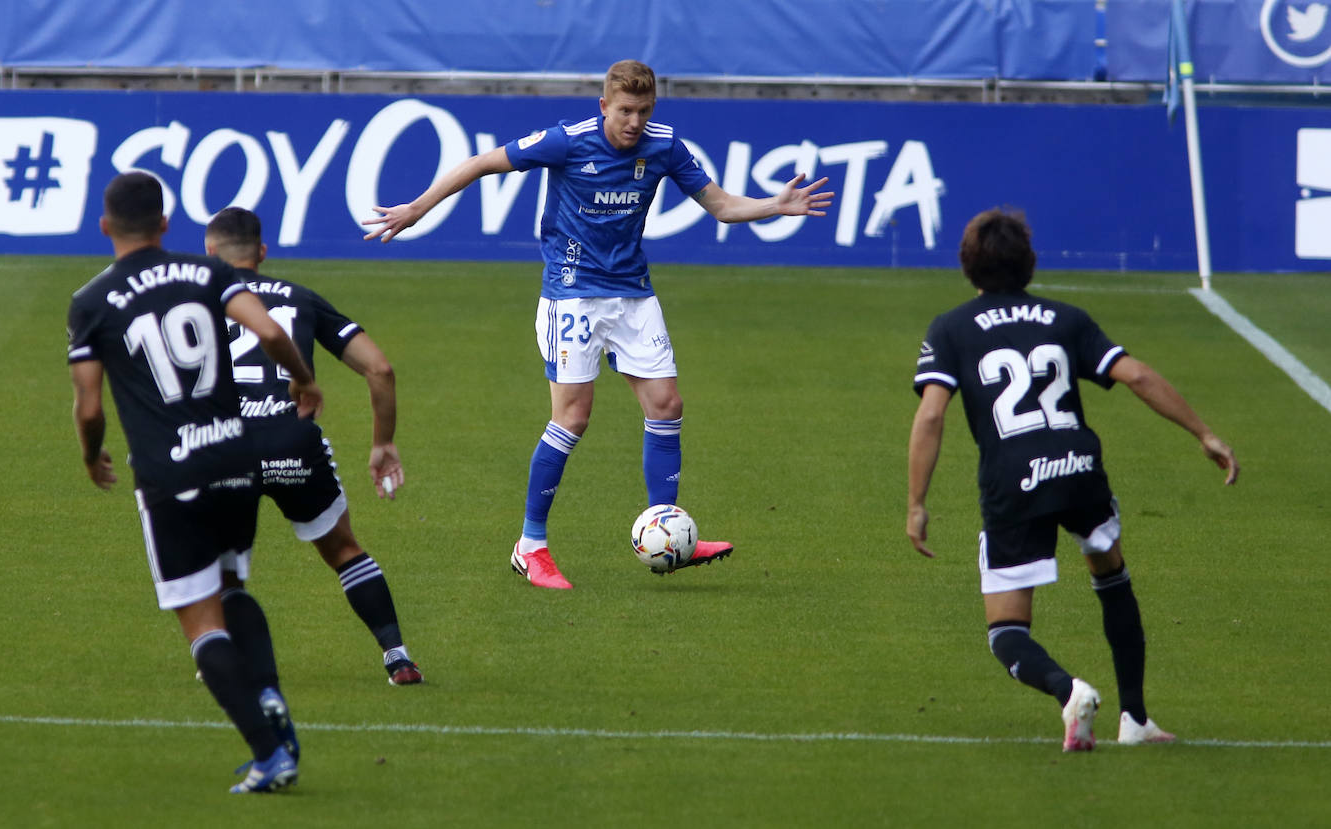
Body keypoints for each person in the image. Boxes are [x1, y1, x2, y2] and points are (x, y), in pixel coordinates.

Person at [363, 59, 835, 589]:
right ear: (604, 106)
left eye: (644, 110)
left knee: (666, 405)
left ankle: (667, 527)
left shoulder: (665, 146)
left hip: (632, 294)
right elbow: (480, 163)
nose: (634, 122)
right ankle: (530, 545)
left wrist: (775, 204)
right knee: (573, 418)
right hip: (572, 296)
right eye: (626, 110)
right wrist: (418, 208)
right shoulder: (568, 141)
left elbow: (721, 206)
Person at [905, 207, 1238, 751]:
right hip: (1080, 470)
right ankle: (1135, 719)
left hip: (1012, 481)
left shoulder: (950, 329)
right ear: (1030, 264)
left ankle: (1069, 692)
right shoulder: (1066, 319)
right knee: (1111, 575)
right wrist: (1204, 433)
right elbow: (1137, 375)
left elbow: (933, 414)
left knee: (1007, 632)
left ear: (967, 266)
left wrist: (917, 502)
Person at [68, 171, 322, 792]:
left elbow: (90, 406)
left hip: (170, 474)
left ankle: (270, 755)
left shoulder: (92, 301)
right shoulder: (207, 273)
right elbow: (268, 332)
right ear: (164, 225)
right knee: (233, 586)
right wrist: (302, 379)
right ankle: (269, 696)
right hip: (235, 458)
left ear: (104, 227)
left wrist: (91, 453)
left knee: (200, 619)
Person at [204, 206, 422, 686]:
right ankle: (397, 656)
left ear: (209, 253)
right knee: (343, 548)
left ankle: (225, 656)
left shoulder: (192, 302)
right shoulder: (299, 298)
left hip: (222, 445)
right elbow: (380, 369)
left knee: (223, 558)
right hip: (291, 439)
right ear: (261, 252)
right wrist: (382, 442)